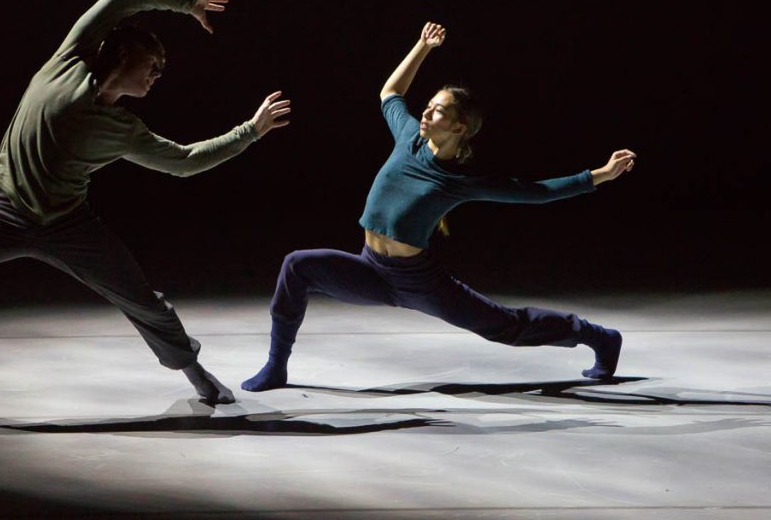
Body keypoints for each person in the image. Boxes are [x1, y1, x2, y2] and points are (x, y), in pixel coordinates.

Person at [0, 0, 290, 419]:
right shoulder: (68, 62)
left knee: (143, 301)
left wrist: (249, 131)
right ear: (121, 56)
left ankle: (193, 371)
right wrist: (186, 2)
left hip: (68, 226)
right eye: (152, 63)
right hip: (1, 210)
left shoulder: (123, 129)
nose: (157, 74)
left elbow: (185, 161)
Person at [241, 21, 634, 392]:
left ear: (459, 128)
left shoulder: (458, 180)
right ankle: (277, 366)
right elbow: (390, 94)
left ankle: (597, 336)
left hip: (418, 282)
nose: (426, 112)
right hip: (371, 269)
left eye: (439, 110)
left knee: (505, 326)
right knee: (297, 266)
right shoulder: (408, 136)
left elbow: (536, 191)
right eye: (428, 105)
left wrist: (598, 175)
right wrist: (423, 47)